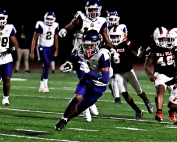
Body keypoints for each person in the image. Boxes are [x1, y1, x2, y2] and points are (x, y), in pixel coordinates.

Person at [58, 0, 116, 122]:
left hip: (94, 53)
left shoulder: (102, 21)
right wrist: (65, 30)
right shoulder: (81, 17)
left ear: (99, 10)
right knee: (83, 78)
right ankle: (85, 108)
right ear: (86, 10)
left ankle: (88, 104)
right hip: (79, 52)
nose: (93, 12)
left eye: (95, 10)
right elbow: (71, 25)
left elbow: (106, 38)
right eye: (91, 10)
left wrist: (112, 50)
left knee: (93, 78)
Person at [55, 30, 111, 131]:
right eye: (86, 45)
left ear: (97, 44)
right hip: (87, 80)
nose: (88, 48)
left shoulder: (103, 55)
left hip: (99, 86)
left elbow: (105, 79)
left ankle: (67, 119)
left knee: (80, 108)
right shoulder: (80, 48)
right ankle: (63, 119)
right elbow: (72, 58)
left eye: (92, 45)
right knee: (77, 97)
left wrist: (88, 71)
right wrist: (68, 64)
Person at [109, 25, 153, 119]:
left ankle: (146, 101)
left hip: (128, 71)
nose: (115, 38)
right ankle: (138, 111)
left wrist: (139, 54)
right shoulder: (108, 46)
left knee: (138, 91)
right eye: (113, 36)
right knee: (124, 93)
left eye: (117, 36)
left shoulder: (125, 44)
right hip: (118, 73)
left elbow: (134, 54)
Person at [144, 26, 177, 122]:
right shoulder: (153, 49)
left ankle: (172, 112)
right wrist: (150, 75)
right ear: (155, 39)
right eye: (161, 39)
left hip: (173, 74)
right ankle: (159, 112)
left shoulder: (172, 46)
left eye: (165, 39)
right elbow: (147, 65)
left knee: (174, 98)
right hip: (160, 73)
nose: (163, 41)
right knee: (160, 89)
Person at [30, 11, 59, 93]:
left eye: (51, 19)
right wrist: (32, 52)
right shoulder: (40, 24)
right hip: (41, 47)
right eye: (47, 19)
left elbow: (56, 38)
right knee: (47, 63)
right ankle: (45, 85)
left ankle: (42, 86)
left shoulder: (55, 25)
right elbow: (34, 38)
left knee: (46, 66)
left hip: (50, 47)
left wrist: (56, 50)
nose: (49, 20)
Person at [106, 10, 128, 104]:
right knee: (109, 75)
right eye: (110, 19)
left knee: (116, 75)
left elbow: (125, 39)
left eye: (114, 19)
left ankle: (117, 98)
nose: (113, 21)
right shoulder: (104, 27)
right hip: (107, 51)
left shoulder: (122, 27)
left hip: (118, 52)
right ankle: (116, 95)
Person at [0, 8, 19, 105]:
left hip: (6, 58)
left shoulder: (9, 28)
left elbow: (16, 44)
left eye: (2, 18)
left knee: (7, 79)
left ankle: (5, 99)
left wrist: (12, 49)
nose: (0, 20)